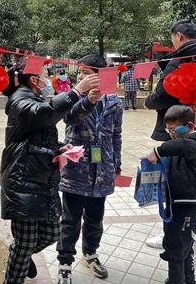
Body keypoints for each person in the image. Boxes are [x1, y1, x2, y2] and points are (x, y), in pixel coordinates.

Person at [0, 62, 99, 284]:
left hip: (42, 178)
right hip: (22, 180)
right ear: (33, 80)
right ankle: (17, 264)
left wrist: (59, 147)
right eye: (45, 74)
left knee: (51, 233)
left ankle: (20, 253)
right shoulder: (19, 99)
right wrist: (76, 91)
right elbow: (43, 115)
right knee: (26, 242)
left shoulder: (33, 97)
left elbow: (36, 134)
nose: (48, 78)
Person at [144, 19, 196, 249]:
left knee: (176, 179)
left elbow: (160, 96)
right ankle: (193, 227)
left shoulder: (180, 58)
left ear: (178, 36)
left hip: (179, 129)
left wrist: (148, 101)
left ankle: (175, 232)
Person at [56, 55, 123, 284]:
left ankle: (90, 254)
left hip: (102, 171)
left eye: (87, 72)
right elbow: (69, 119)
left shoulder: (114, 101)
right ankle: (65, 263)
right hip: (77, 170)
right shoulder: (72, 96)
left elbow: (116, 135)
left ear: (100, 75)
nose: (81, 76)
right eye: (80, 72)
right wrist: (88, 101)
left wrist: (116, 163)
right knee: (70, 219)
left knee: (95, 218)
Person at [145, 105, 196, 284]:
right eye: (169, 130)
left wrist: (158, 151)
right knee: (184, 247)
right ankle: (188, 280)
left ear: (190, 126)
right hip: (177, 204)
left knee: (176, 249)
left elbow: (183, 146)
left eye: (174, 130)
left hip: (188, 206)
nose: (171, 134)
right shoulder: (178, 144)